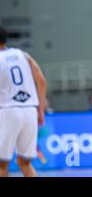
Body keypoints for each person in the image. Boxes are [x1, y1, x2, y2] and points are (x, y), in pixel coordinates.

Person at [0, 26, 47, 177]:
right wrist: (40, 108)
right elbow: (41, 80)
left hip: (8, 110)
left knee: (1, 164)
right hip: (30, 110)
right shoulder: (23, 55)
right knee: (24, 163)